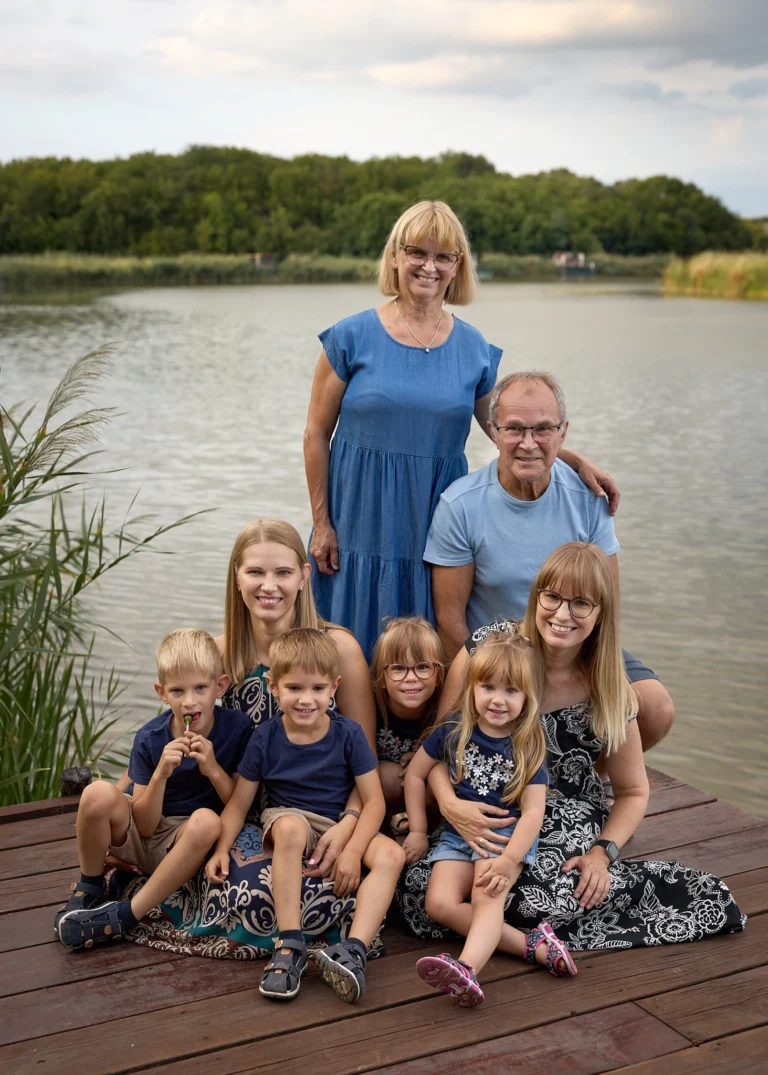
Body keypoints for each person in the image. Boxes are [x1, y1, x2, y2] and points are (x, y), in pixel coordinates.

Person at [304, 200, 618, 659]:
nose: (429, 266)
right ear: (395, 257)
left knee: (423, 652)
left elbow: (507, 432)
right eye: (417, 252)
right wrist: (321, 522)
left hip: (433, 516)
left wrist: (573, 459)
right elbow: (315, 434)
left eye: (443, 256)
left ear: (458, 266)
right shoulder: (350, 338)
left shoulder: (473, 348)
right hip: (358, 516)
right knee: (344, 646)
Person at [398, 543, 746, 950]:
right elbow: (443, 744)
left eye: (580, 603)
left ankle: (635, 898)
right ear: (537, 596)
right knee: (419, 891)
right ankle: (531, 943)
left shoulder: (609, 685)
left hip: (567, 810)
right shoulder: (489, 650)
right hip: (487, 803)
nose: (562, 615)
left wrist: (602, 853)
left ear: (600, 613)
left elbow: (633, 791)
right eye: (553, 597)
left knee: (539, 897)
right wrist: (450, 805)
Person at [121, 520, 379, 961]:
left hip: (324, 814)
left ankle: (325, 945)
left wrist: (349, 826)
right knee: (241, 889)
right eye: (255, 572)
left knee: (317, 885)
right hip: (238, 813)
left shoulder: (338, 649)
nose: (269, 586)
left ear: (304, 576)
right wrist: (124, 810)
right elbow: (164, 732)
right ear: (236, 577)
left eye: (282, 572)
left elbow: (363, 760)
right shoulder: (219, 653)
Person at [425, 369, 675, 753]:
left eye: (543, 429)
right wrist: (490, 682)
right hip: (501, 653)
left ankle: (585, 776)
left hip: (575, 645)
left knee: (655, 707)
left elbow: (607, 606)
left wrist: (590, 674)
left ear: (563, 432)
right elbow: (451, 622)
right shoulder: (460, 506)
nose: (529, 444)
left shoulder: (588, 497)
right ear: (493, 431)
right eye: (514, 429)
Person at [206, 629, 405, 1003]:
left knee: (392, 855)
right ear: (273, 686)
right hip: (287, 816)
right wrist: (220, 850)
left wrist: (351, 850)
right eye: (294, 688)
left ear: (334, 688)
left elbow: (374, 802)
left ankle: (354, 951)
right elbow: (238, 804)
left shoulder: (348, 734)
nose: (306, 699)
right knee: (290, 829)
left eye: (317, 688)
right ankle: (290, 944)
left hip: (336, 821)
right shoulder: (265, 738)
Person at [405, 633, 576, 1008]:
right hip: (457, 834)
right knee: (439, 904)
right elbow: (416, 774)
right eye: (488, 687)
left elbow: (533, 811)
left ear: (527, 697)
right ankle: (535, 946)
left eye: (511, 691)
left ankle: (466, 968)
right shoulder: (454, 729)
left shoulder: (527, 743)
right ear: (472, 688)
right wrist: (418, 830)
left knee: (487, 896)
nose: (498, 699)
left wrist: (509, 860)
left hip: (504, 835)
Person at [55, 629, 252, 950]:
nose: (189, 701)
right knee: (96, 793)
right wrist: (160, 774)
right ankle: (90, 886)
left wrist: (213, 769)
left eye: (200, 688)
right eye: (177, 690)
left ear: (221, 686)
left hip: (184, 842)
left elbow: (238, 802)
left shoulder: (237, 728)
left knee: (208, 820)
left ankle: (127, 914)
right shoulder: (150, 738)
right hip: (143, 833)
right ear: (162, 693)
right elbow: (145, 826)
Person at [370, 616, 445, 823]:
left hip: (428, 797)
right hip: (387, 798)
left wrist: (424, 761)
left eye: (422, 667)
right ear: (381, 676)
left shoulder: (443, 709)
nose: (411, 677)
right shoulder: (372, 707)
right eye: (398, 668)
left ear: (439, 675)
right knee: (386, 776)